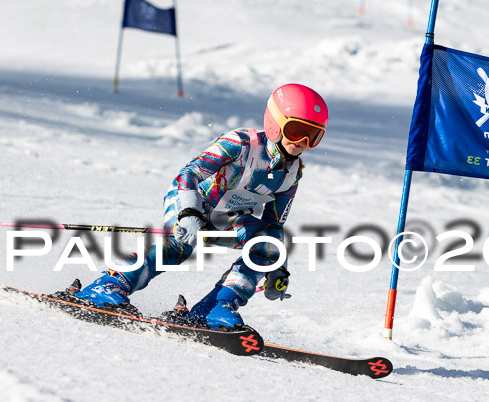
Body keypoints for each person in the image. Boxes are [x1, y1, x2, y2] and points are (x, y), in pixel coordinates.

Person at [75, 83, 329, 330]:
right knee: (179, 247)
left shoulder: (291, 174)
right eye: (296, 130)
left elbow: (274, 224)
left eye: (313, 136)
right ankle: (109, 285)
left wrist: (275, 266)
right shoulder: (241, 143)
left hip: (225, 217)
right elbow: (189, 175)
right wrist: (188, 212)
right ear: (275, 123)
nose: (303, 142)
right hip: (190, 199)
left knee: (268, 241)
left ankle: (214, 309)